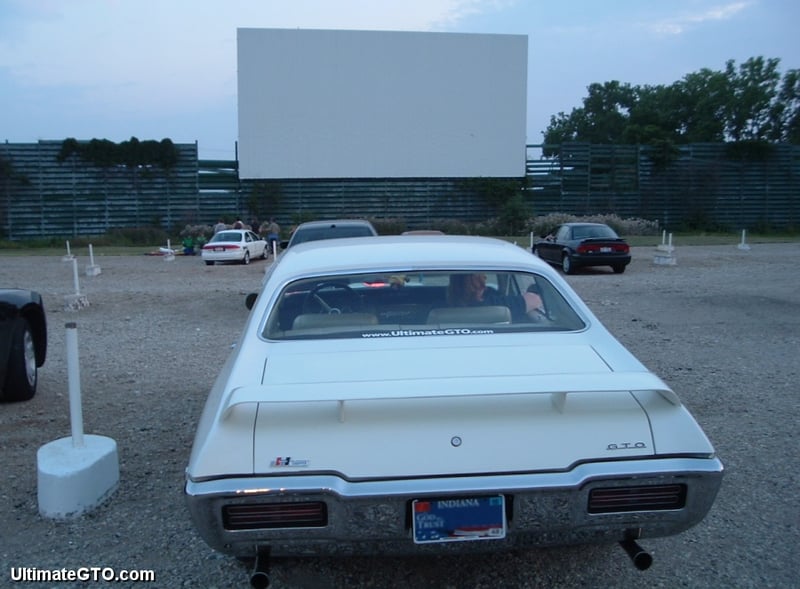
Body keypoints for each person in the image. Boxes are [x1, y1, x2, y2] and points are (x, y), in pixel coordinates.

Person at [447, 273, 543, 320]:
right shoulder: (500, 304)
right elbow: (535, 299)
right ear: (481, 285)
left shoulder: (434, 309)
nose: (485, 277)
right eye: (482, 276)